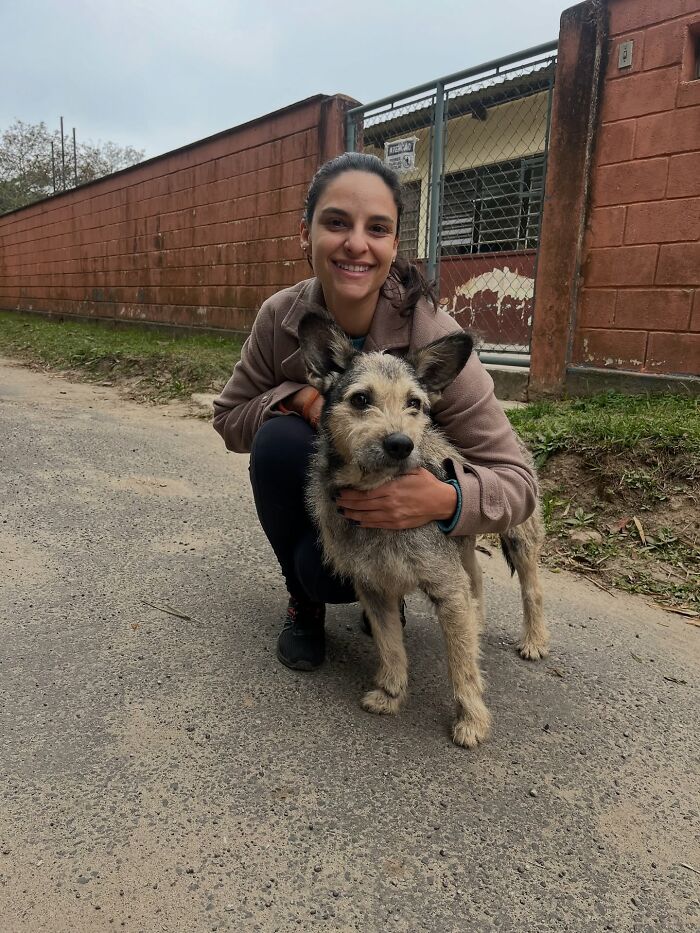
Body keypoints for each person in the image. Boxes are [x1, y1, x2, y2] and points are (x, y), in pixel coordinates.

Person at [213, 152, 537, 671]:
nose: (356, 244)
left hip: (410, 499)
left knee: (367, 537)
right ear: (306, 233)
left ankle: (392, 589)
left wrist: (445, 501)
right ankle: (305, 600)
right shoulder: (281, 317)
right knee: (280, 448)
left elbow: (518, 482)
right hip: (337, 494)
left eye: (377, 228)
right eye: (337, 222)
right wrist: (300, 397)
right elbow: (229, 419)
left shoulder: (433, 336)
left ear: (393, 245)